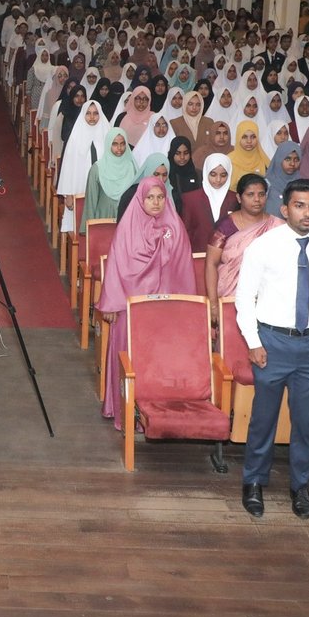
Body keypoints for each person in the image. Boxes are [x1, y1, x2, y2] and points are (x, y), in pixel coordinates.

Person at [232, 178, 309, 520]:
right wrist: (253, 341)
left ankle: (300, 486)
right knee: (263, 419)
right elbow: (244, 297)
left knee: (305, 422)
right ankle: (254, 481)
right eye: (299, 206)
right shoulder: (263, 247)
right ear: (285, 209)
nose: (307, 213)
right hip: (272, 342)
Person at [96, 176, 196, 428]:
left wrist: (183, 307)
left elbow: (183, 268)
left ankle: (157, 416)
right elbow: (116, 268)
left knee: (159, 360)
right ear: (141, 199)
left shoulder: (175, 227)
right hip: (130, 307)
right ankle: (125, 412)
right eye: (150, 197)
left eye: (160, 197)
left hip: (164, 308)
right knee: (130, 359)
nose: (156, 202)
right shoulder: (127, 227)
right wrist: (111, 304)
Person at [205, 173, 281, 302]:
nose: (257, 199)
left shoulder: (278, 226)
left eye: (261, 194)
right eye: (250, 194)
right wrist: (213, 304)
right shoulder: (225, 226)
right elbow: (211, 264)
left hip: (270, 297)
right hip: (230, 297)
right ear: (239, 198)